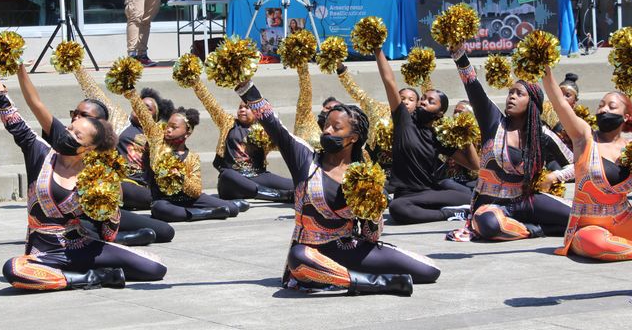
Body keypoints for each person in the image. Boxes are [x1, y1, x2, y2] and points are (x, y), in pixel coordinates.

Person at [233, 79, 440, 294]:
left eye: (336, 128)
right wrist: (245, 85)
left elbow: (371, 237)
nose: (327, 131)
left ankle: (356, 276)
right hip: (312, 253)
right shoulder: (305, 159)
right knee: (299, 258)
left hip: (348, 249)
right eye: (326, 126)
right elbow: (273, 124)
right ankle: (371, 283)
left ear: (353, 138)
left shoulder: (362, 173)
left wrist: (373, 209)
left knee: (429, 270)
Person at [0, 66, 166, 290]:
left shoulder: (95, 176)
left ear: (88, 148)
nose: (67, 133)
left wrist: (108, 206)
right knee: (13, 269)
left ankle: (84, 269)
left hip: (79, 247)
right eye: (71, 127)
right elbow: (10, 115)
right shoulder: (40, 153)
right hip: (43, 253)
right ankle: (89, 278)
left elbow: (108, 235)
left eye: (76, 134)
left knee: (155, 268)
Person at [24, 69, 175, 245]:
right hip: (73, 214)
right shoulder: (65, 135)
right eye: (75, 113)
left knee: (166, 231)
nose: (76, 118)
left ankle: (112, 235)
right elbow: (36, 104)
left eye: (84, 116)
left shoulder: (121, 144)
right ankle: (119, 239)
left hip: (106, 211)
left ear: (99, 125)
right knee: (79, 230)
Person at [447, 44, 574, 242]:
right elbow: (473, 86)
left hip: (525, 201)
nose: (512, 97)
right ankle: (536, 229)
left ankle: (533, 225)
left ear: (532, 103)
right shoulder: (493, 122)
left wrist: (554, 176)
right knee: (489, 225)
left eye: (519, 94)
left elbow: (577, 163)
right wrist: (459, 55)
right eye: (510, 93)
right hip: (490, 207)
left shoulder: (542, 134)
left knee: (580, 216)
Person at [541, 67, 632, 261]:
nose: (603, 109)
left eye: (611, 107)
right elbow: (560, 104)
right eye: (601, 105)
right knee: (596, 244)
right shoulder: (584, 138)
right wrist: (545, 70)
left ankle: (631, 244)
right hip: (589, 228)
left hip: (624, 219)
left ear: (627, 117)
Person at [375, 49, 479, 224]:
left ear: (439, 113)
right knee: (397, 208)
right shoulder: (403, 120)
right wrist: (377, 50)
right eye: (423, 98)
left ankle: (444, 208)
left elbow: (474, 165)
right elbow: (389, 82)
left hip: (429, 192)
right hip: (406, 196)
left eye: (431, 102)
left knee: (471, 195)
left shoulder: (438, 136)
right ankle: (447, 214)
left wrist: (464, 136)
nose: (423, 102)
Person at [120, 88, 246, 222]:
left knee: (232, 210)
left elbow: (196, 191)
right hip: (166, 201)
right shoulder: (158, 141)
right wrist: (130, 91)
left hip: (188, 199)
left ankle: (211, 208)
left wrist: (180, 178)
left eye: (174, 127)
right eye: (168, 126)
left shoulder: (192, 157)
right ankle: (205, 213)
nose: (168, 130)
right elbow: (144, 116)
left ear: (187, 132)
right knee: (159, 209)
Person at [182, 71, 293, 203]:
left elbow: (286, 143)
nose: (242, 110)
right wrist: (196, 83)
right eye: (240, 107)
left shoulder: (265, 129)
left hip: (257, 175)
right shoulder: (228, 122)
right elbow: (210, 104)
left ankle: (271, 192)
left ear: (257, 112)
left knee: (294, 184)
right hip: (232, 180)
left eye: (247, 107)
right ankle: (276, 195)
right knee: (226, 174)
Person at [117, 88, 174, 211]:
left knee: (123, 188)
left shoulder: (157, 135)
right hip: (116, 179)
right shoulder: (121, 123)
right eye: (140, 104)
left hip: (138, 186)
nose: (141, 108)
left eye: (148, 108)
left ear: (154, 117)